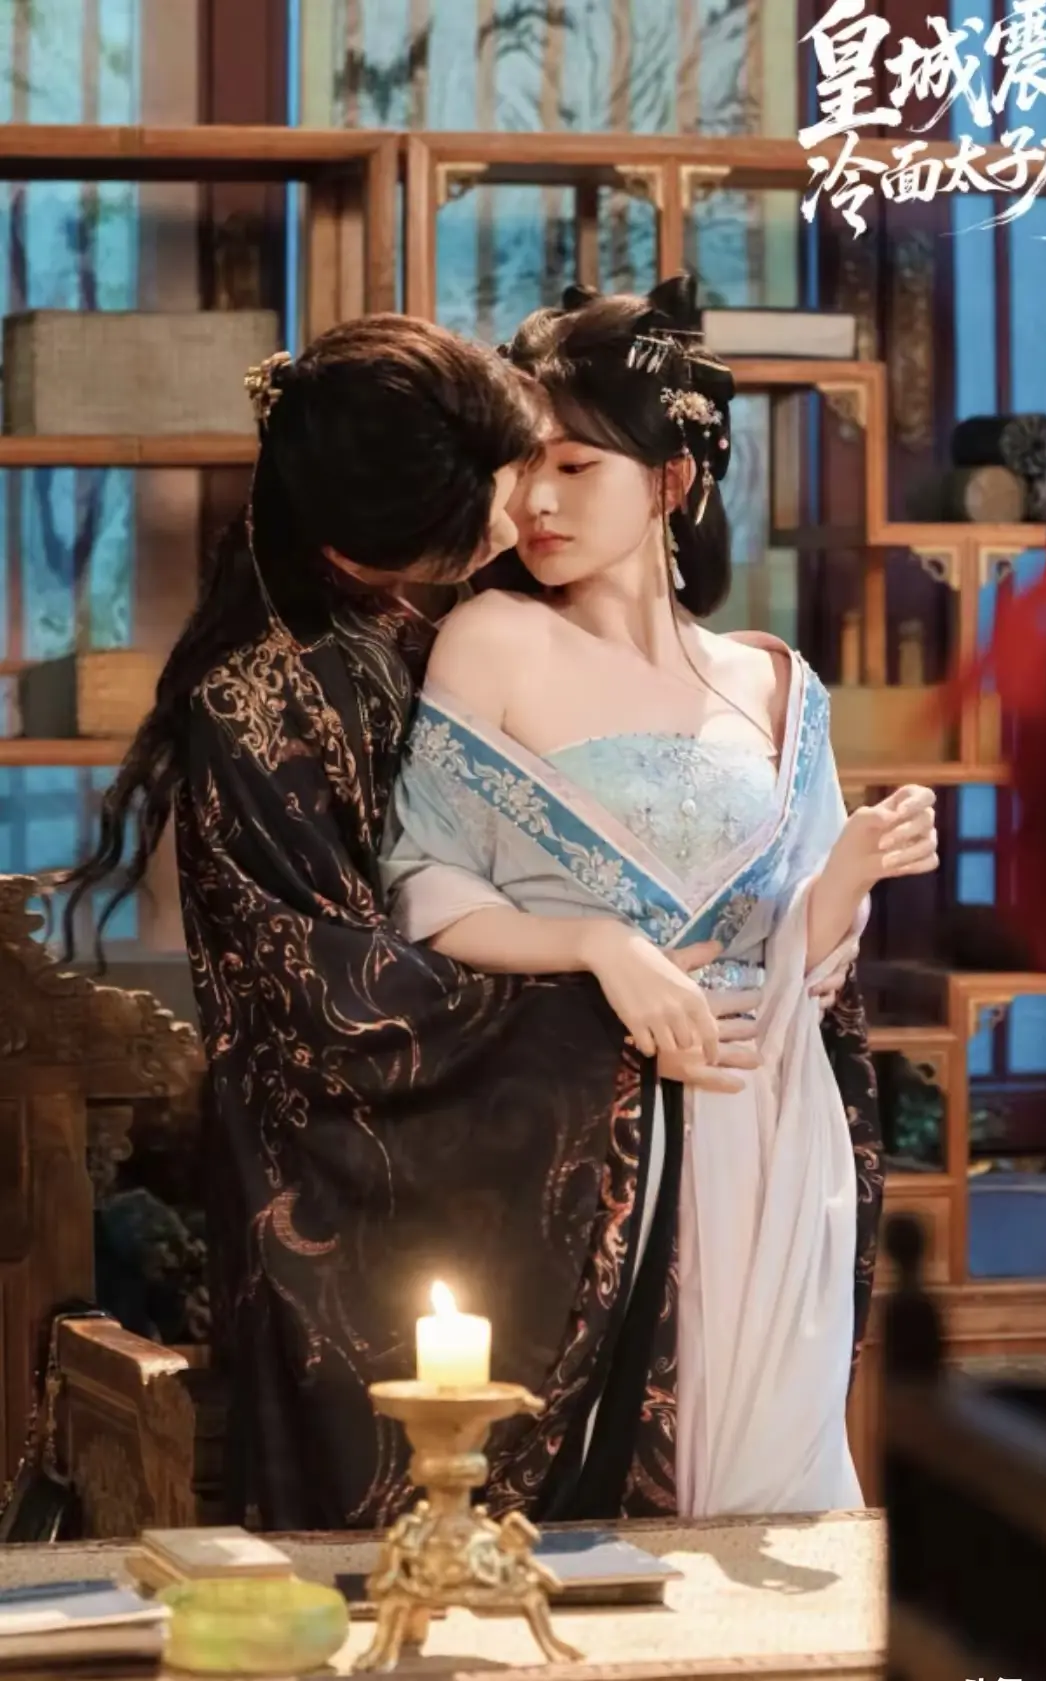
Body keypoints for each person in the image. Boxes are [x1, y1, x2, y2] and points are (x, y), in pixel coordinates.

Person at [59, 314, 755, 1531]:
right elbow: (330, 993)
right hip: (347, 1163)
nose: (522, 508)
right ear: (375, 527)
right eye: (498, 482)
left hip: (531, 1093)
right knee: (398, 1532)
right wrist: (607, 1002)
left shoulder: (428, 628)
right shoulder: (256, 697)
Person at [380, 277, 939, 1517]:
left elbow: (802, 964)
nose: (534, 500)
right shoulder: (493, 637)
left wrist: (850, 866)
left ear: (671, 481)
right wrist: (601, 945)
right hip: (604, 1137)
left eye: (574, 466)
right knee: (633, 1502)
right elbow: (424, 885)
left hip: (769, 1123)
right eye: (523, 467)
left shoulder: (774, 681)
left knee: (772, 1497)